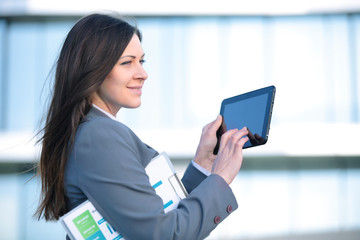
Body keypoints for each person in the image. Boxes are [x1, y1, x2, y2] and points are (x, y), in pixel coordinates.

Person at [35, 13, 249, 239]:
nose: (143, 74)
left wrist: (203, 163)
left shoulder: (94, 132)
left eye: (141, 61)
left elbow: (161, 214)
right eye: (127, 63)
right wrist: (221, 178)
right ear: (93, 69)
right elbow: (161, 234)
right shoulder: (100, 135)